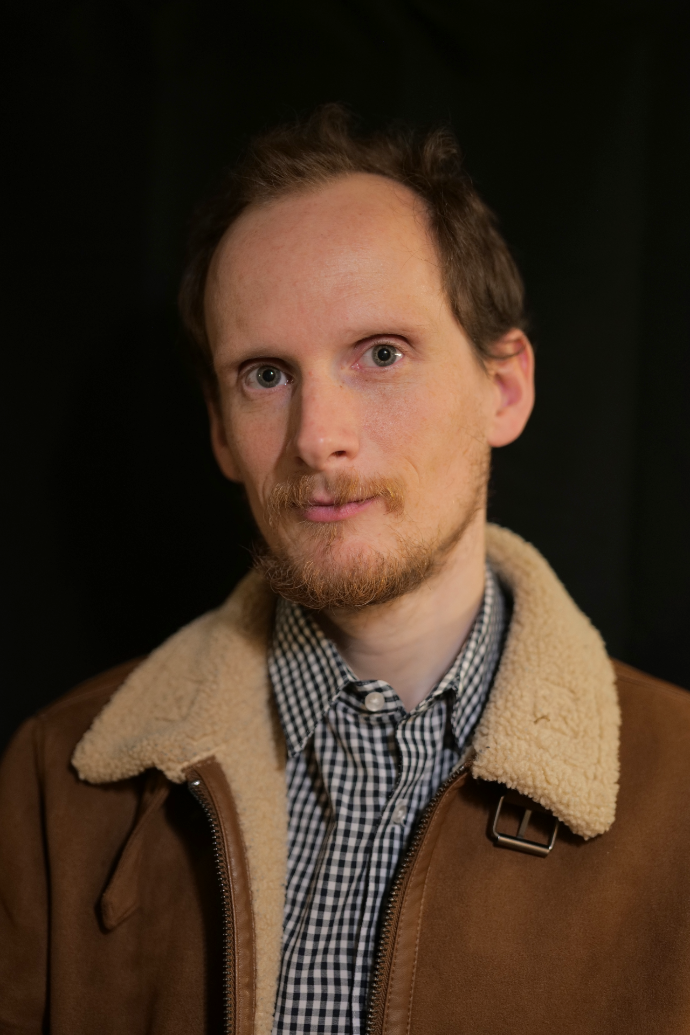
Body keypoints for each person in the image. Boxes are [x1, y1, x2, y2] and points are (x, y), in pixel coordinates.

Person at [1, 104, 689, 1035]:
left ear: (504, 387)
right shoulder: (57, 783)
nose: (317, 437)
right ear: (220, 431)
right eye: (266, 375)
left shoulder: (682, 791)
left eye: (381, 354)